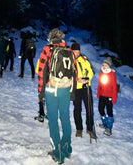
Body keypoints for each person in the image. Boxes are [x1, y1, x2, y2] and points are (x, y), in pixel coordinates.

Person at [37, 28, 77, 164]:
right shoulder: (69, 50)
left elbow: (41, 72)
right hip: (65, 88)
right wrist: (73, 92)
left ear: (51, 37)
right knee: (65, 118)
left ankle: (57, 153)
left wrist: (41, 92)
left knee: (53, 120)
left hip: (51, 89)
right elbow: (74, 72)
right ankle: (67, 149)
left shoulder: (47, 49)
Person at [71, 43, 97, 140]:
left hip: (86, 87)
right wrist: (78, 79)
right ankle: (79, 128)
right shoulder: (69, 61)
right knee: (77, 109)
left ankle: (90, 128)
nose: (76, 53)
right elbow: (69, 74)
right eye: (75, 52)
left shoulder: (84, 59)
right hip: (76, 88)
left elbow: (90, 71)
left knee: (89, 108)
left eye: (78, 51)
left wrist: (87, 78)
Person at [97, 57, 118, 136]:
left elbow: (114, 88)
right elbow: (100, 85)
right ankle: (105, 123)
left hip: (109, 97)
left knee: (109, 112)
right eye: (103, 65)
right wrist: (98, 93)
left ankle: (109, 128)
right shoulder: (101, 73)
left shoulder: (112, 75)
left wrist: (114, 98)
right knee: (100, 110)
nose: (104, 66)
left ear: (109, 66)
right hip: (102, 96)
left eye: (106, 65)